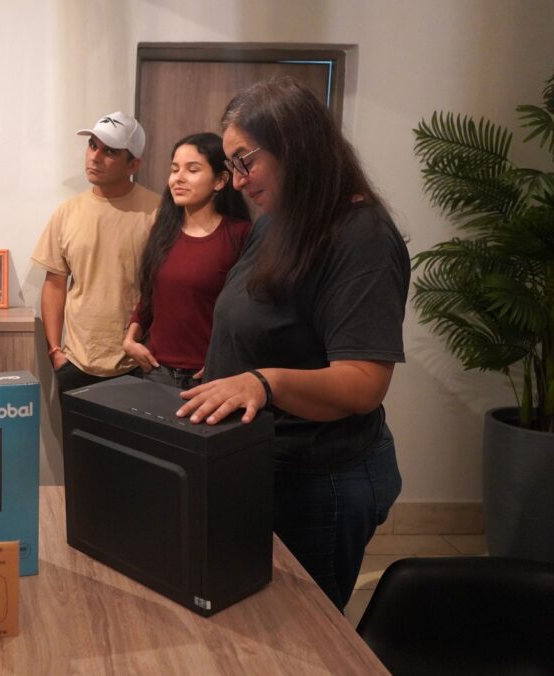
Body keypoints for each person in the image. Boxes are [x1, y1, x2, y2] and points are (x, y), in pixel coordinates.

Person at [176, 77, 411, 610]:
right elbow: (264, 321)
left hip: (320, 480)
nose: (237, 181)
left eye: (245, 161)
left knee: (302, 630)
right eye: (231, 165)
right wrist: (225, 372)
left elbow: (363, 383)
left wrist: (261, 382)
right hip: (261, 465)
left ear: (296, 146)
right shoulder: (278, 222)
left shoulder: (362, 236)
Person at [32, 111, 161, 394]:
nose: (95, 157)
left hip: (138, 363)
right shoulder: (68, 212)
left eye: (110, 151)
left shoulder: (158, 211)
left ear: (134, 164)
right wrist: (55, 351)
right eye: (92, 146)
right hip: (76, 361)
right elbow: (54, 284)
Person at [122, 132, 252, 390]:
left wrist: (226, 360)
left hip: (212, 375)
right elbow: (150, 297)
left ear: (220, 180)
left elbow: (249, 311)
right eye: (174, 169)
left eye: (192, 170)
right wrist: (130, 340)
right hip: (156, 370)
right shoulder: (163, 231)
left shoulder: (240, 234)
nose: (178, 178)